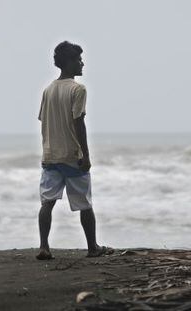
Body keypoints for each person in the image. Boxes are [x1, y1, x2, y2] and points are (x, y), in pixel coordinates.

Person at [36, 41, 110, 260]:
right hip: (72, 156)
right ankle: (92, 247)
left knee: (47, 202)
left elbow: (44, 121)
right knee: (85, 204)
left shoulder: (48, 89)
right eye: (78, 60)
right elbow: (79, 123)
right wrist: (85, 155)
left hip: (50, 155)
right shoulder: (78, 89)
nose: (82, 63)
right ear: (68, 63)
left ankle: (44, 247)